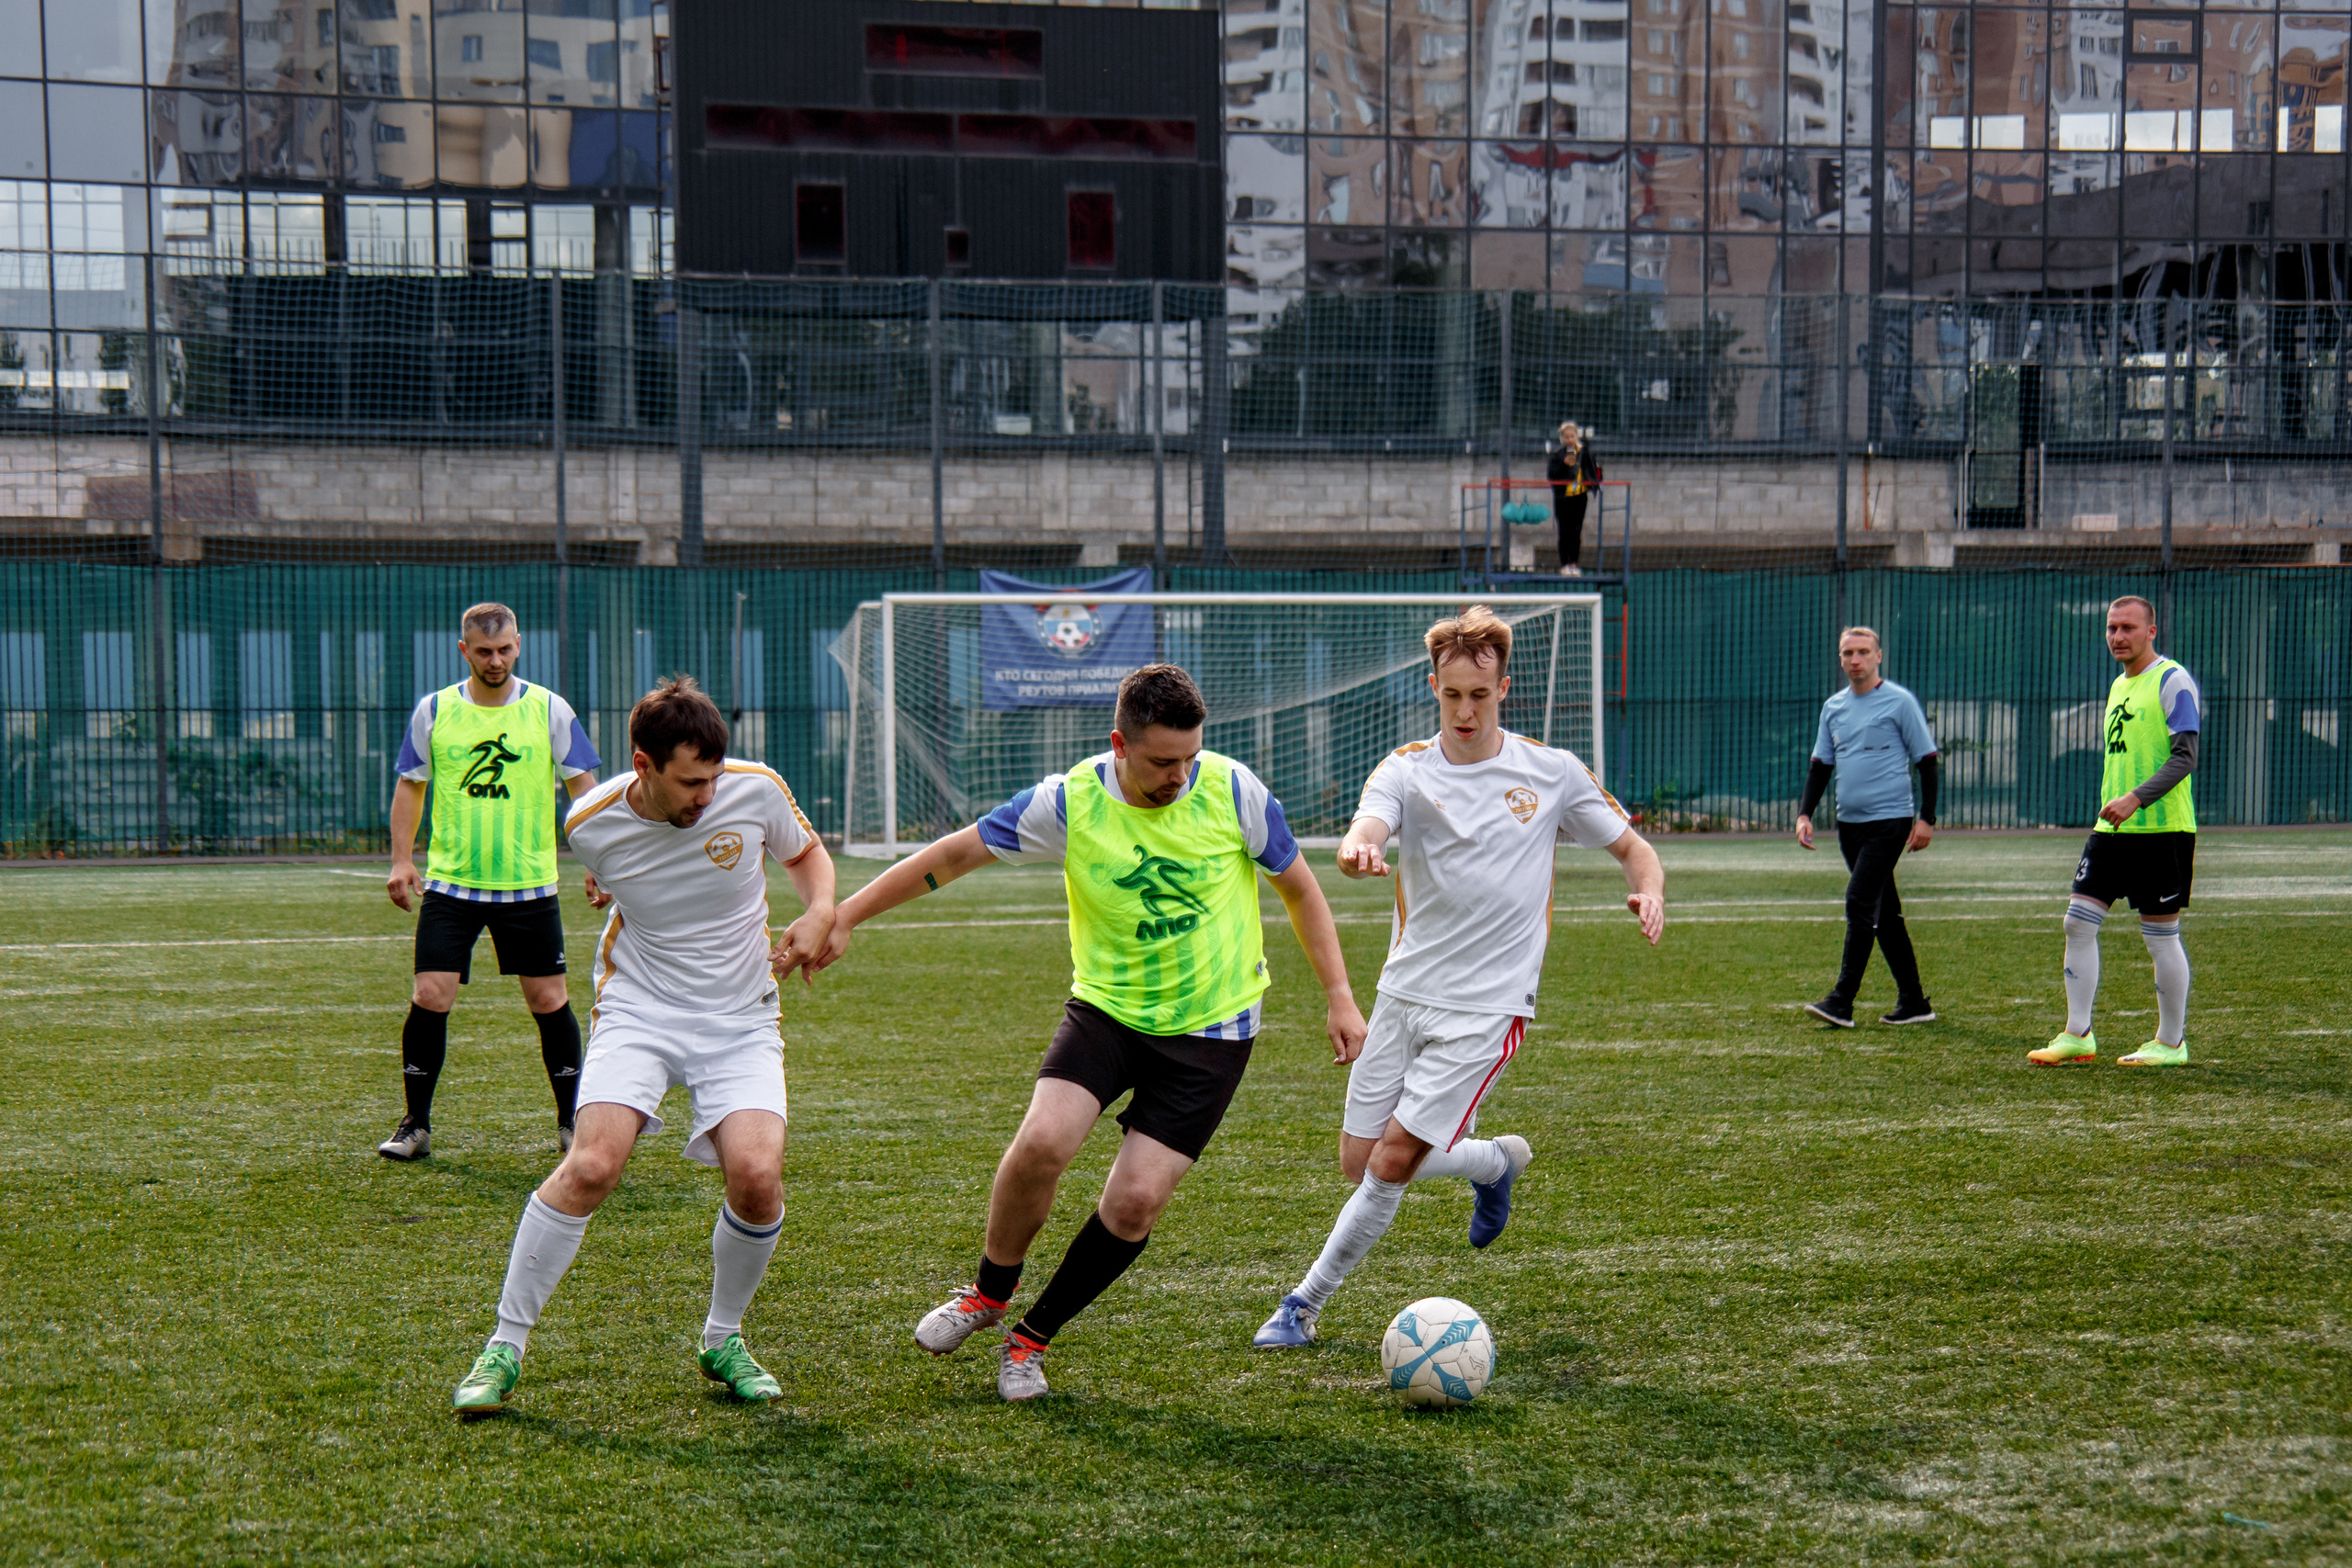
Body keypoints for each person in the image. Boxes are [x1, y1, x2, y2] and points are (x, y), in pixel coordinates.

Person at [810, 664, 1366, 1401]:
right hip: (1107, 1011)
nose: (1180, 775)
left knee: (1135, 1201)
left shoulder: (1234, 790)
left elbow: (1299, 886)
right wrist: (844, 914)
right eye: (1164, 761)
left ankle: (1031, 1340)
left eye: (1190, 757)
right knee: (1042, 1142)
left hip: (1213, 1032)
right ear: (1120, 745)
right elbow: (953, 854)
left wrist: (1339, 995)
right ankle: (986, 1294)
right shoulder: (1069, 801)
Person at [1253, 606, 1665, 1348]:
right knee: (1358, 1159)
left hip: (1489, 1006)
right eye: (1452, 696)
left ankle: (1302, 1305)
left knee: (1392, 1159)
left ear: (1503, 687)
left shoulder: (1552, 771)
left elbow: (1635, 849)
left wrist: (1651, 888)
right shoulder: (1407, 768)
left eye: (1480, 694)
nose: (1466, 710)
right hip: (1404, 992)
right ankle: (1492, 1159)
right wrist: (1358, 851)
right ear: (1433, 687)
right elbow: (1366, 829)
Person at [450, 677, 835, 1415]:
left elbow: (809, 856)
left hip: (741, 1015)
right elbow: (613, 867)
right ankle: (503, 1344)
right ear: (644, 764)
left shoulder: (754, 791)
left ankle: (723, 1337)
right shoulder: (588, 822)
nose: (706, 796)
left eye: (714, 778)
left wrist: (820, 909)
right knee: (592, 1163)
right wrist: (607, 883)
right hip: (641, 1008)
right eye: (691, 782)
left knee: (757, 1175)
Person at [379, 603, 602, 1161]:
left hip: (529, 886)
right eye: (484, 651)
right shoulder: (435, 711)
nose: (495, 660)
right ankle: (416, 1125)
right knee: (430, 994)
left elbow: (587, 792)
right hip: (452, 886)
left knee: (549, 999)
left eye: (504, 650)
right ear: (464, 651)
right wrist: (402, 860)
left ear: (519, 646)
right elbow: (410, 786)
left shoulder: (549, 709)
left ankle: (573, 1123)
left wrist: (601, 860)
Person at [2030, 596, 2201, 1067]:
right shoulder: (2117, 685)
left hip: (2161, 829)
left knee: (2160, 936)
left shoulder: (2172, 679)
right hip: (2111, 829)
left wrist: (2136, 798)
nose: (2117, 636)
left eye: (2128, 627)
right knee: (2077, 922)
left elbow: (2185, 756)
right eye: (2111, 628)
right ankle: (2078, 1034)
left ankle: (2171, 1043)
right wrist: (2118, 805)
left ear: (2151, 631)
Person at [1796, 626, 1940, 1028]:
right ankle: (1914, 1002)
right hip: (1849, 825)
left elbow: (1927, 760)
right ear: (1840, 659)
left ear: (1879, 656)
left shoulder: (1899, 702)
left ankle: (1841, 1001)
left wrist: (1927, 818)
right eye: (1847, 653)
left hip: (1890, 821)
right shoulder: (1834, 707)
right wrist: (1805, 813)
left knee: (1859, 902)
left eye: (1862, 652)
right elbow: (1821, 765)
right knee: (1885, 913)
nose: (1854, 659)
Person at [1546, 421, 1602, 576]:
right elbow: (1552, 475)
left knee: (1576, 530)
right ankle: (1564, 564)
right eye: (1567, 437)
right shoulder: (1558, 455)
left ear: (1576, 436)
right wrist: (1564, 464)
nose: (1570, 439)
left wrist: (1594, 483)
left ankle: (1574, 563)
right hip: (1563, 498)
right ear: (1562, 439)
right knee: (1563, 530)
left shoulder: (1585, 453)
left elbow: (1594, 470)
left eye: (1572, 436)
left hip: (1579, 496)